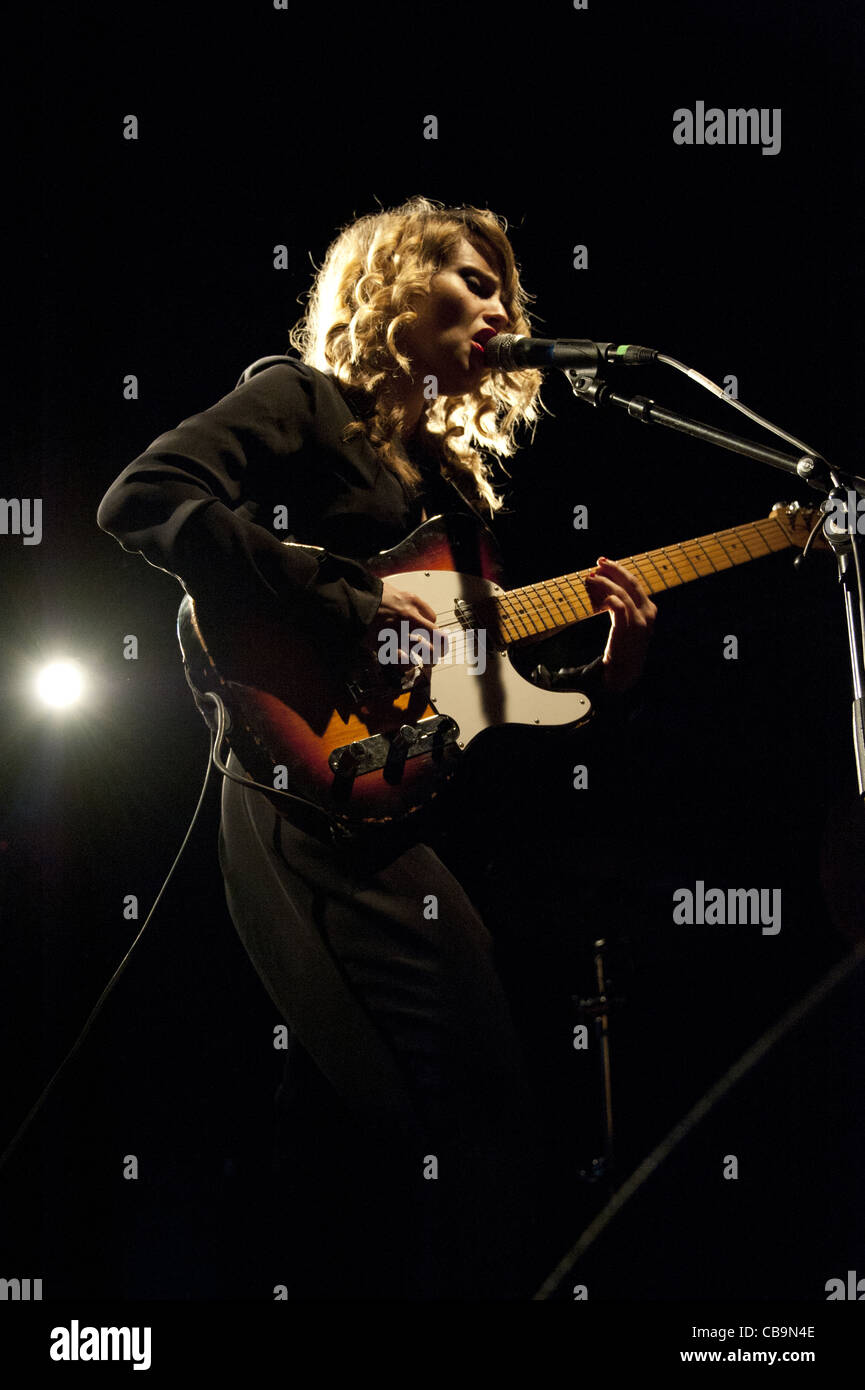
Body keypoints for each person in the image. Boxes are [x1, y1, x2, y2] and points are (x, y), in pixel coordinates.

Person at [97, 196, 656, 1299]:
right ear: (394, 292)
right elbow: (144, 497)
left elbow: (479, 700)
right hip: (307, 802)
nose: (501, 304)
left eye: (507, 287)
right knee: (477, 1116)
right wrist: (352, 604)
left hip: (410, 809)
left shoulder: (453, 492)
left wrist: (606, 676)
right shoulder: (301, 401)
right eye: (472, 276)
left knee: (373, 1150)